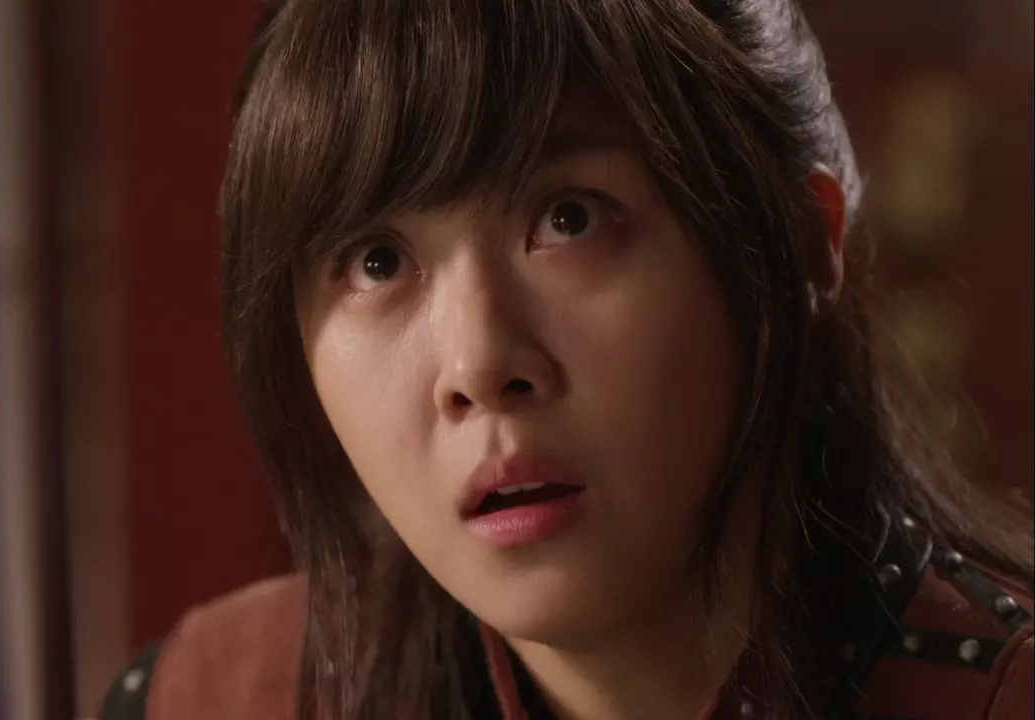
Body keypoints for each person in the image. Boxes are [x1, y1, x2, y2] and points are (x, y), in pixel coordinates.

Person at [102, 1, 1034, 717]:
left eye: (568, 219)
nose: (478, 364)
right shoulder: (215, 696)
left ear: (803, 243)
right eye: (377, 263)